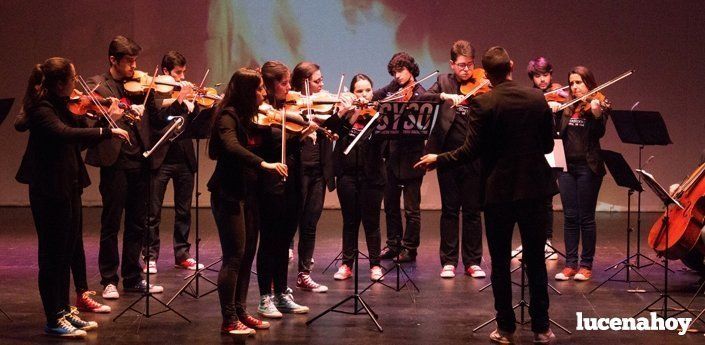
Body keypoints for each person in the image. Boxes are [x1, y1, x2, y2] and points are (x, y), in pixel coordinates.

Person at [415, 46, 557, 344]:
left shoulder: (485, 103)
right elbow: (546, 146)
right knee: (535, 260)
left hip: (499, 192)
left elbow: (470, 152)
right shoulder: (536, 98)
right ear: (512, 66)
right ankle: (542, 328)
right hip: (535, 190)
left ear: (487, 74)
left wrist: (437, 158)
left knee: (501, 262)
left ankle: (505, 328)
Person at [16, 57, 130, 337]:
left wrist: (108, 120)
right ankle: (53, 317)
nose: (77, 84)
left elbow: (77, 129)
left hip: (67, 184)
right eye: (73, 78)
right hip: (48, 187)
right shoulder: (41, 108)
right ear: (59, 83)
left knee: (66, 250)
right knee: (52, 255)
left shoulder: (58, 104)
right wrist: (106, 129)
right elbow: (64, 133)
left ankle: (64, 309)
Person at [208, 67, 289, 335]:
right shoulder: (228, 116)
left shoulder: (246, 117)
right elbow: (231, 146)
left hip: (248, 194)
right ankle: (228, 319)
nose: (263, 93)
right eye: (258, 89)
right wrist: (263, 163)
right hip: (227, 193)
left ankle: (241, 311)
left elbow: (266, 134)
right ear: (246, 91)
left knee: (246, 257)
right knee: (233, 257)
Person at [85, 35, 164, 299]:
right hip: (115, 161)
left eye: (135, 61)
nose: (134, 67)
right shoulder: (99, 86)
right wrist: (113, 118)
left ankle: (133, 277)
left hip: (140, 158)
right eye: (129, 62)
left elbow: (155, 117)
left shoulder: (141, 86)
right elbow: (90, 125)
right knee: (111, 221)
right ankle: (109, 279)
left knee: (137, 223)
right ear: (113, 60)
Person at [417, 40, 487, 279]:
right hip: (446, 155)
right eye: (461, 65)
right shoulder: (445, 81)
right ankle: (448, 261)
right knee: (449, 209)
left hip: (474, 155)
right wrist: (445, 96)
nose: (466, 70)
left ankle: (472, 261)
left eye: (469, 65)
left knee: (472, 211)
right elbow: (425, 97)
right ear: (452, 64)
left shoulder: (481, 84)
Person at [256, 60, 312, 318]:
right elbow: (264, 145)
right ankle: (264, 297)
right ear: (269, 85)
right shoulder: (260, 113)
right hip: (270, 184)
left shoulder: (287, 108)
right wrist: (292, 130)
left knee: (284, 241)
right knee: (269, 241)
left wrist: (302, 133)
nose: (290, 87)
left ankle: (281, 292)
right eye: (284, 83)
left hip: (293, 180)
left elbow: (292, 137)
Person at [142, 51, 204, 274]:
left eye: (183, 72)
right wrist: (179, 101)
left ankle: (182, 253)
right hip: (161, 158)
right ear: (166, 72)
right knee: (153, 211)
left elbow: (195, 124)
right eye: (178, 73)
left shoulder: (184, 94)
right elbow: (158, 119)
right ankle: (150, 255)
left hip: (184, 158)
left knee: (184, 210)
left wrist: (195, 105)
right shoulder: (155, 94)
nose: (181, 77)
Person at [553, 66, 611, 282]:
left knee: (586, 218)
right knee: (569, 216)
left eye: (579, 82)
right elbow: (557, 134)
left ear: (589, 83)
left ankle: (585, 265)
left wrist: (597, 114)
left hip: (589, 167)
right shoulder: (567, 107)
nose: (575, 87)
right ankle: (570, 264)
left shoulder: (598, 103)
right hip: (567, 167)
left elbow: (599, 133)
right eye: (572, 83)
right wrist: (553, 112)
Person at [289, 61, 340, 293]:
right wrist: (303, 131)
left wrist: (344, 111)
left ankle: (303, 275)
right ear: (304, 83)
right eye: (317, 81)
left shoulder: (324, 106)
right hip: (297, 170)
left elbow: (338, 130)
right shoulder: (291, 105)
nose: (323, 84)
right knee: (290, 224)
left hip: (319, 170)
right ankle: (277, 282)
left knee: (310, 224)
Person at [511, 56, 566, 261]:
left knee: (547, 198)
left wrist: (558, 110)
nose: (542, 80)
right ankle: (530, 241)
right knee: (530, 198)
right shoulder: (532, 96)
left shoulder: (560, 95)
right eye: (537, 76)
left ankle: (547, 241)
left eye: (545, 75)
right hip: (534, 149)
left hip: (555, 148)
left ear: (551, 74)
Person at [332, 74, 385, 282]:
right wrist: (351, 113)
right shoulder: (345, 115)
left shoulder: (379, 114)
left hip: (372, 175)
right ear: (352, 93)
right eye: (359, 91)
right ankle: (347, 264)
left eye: (367, 90)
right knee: (350, 221)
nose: (364, 95)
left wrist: (374, 115)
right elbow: (337, 133)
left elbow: (382, 140)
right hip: (347, 175)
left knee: (372, 222)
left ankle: (375, 264)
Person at [374, 52, 426, 263]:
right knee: (391, 204)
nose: (397, 76)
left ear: (411, 70)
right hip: (393, 156)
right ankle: (394, 244)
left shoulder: (421, 93)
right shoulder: (393, 89)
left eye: (401, 71)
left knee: (412, 209)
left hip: (412, 156)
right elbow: (377, 94)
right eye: (394, 72)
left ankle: (410, 248)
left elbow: (422, 124)